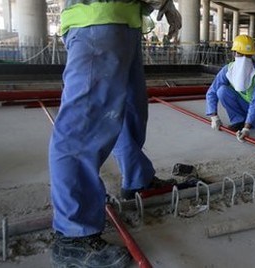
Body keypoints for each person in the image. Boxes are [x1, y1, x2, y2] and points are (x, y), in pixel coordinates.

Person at [49, 1, 180, 267]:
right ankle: (73, 235)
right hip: (96, 17)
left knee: (130, 110)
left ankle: (137, 180)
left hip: (124, 20)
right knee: (83, 128)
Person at [206, 35, 255, 142]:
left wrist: (247, 128)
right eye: (240, 54)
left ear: (252, 55)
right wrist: (213, 116)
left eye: (247, 55)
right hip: (243, 103)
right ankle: (238, 121)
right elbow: (212, 92)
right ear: (234, 53)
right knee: (222, 91)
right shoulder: (228, 70)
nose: (244, 58)